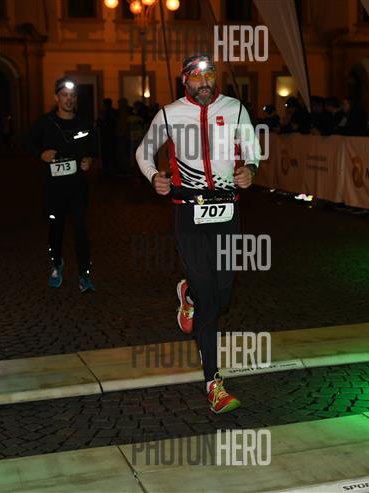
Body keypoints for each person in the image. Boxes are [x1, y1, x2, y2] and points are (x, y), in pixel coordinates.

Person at [135, 54, 261, 414]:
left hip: (226, 211)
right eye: (196, 77)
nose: (204, 83)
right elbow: (143, 151)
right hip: (188, 211)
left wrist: (251, 169)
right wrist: (154, 177)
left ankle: (187, 292)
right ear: (184, 81)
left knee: (222, 296)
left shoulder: (235, 108)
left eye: (209, 76)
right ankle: (213, 384)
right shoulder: (170, 113)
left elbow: (252, 149)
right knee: (209, 300)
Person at [25, 77, 98, 293]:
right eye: (65, 95)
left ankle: (84, 274)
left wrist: (89, 159)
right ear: (56, 97)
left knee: (80, 228)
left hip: (77, 186)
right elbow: (27, 143)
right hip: (54, 187)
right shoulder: (45, 122)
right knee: (55, 228)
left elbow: (93, 146)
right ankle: (57, 264)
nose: (69, 100)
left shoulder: (84, 122)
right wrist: (40, 154)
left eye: (72, 96)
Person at [97, 98, 116, 176]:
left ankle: (108, 169)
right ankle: (109, 169)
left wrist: (100, 121)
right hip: (110, 135)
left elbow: (102, 123)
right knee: (109, 153)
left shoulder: (107, 112)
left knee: (107, 153)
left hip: (107, 135)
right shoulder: (111, 112)